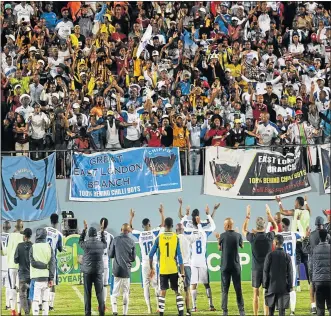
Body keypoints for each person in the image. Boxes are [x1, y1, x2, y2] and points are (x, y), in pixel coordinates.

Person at [242, 204, 278, 316]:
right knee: (266, 293)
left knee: (255, 294)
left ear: (256, 226)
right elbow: (276, 227)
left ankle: (256, 314)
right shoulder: (269, 237)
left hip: (256, 270)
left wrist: (247, 216)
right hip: (267, 270)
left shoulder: (252, 237)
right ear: (264, 225)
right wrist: (269, 214)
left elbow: (243, 229)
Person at [129, 206, 165, 313]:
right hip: (153, 262)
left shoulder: (140, 234)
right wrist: (162, 213)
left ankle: (149, 309)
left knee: (146, 286)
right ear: (149, 224)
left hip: (144, 263)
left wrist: (131, 217)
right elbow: (163, 225)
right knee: (155, 285)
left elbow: (130, 228)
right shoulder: (154, 232)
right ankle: (158, 307)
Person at [182, 205, 216, 312]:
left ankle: (194, 307)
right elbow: (213, 226)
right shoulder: (204, 232)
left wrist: (185, 214)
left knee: (193, 284)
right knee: (206, 284)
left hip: (193, 261)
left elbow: (181, 224)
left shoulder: (189, 231)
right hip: (202, 261)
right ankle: (210, 305)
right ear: (198, 218)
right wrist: (208, 214)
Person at [149, 217, 185, 316]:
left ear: (164, 225)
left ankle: (161, 314)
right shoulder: (175, 237)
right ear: (172, 226)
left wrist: (151, 268)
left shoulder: (159, 238)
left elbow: (150, 255)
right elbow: (180, 256)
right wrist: (182, 272)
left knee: (162, 292)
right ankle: (181, 313)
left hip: (163, 269)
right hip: (173, 268)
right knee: (177, 291)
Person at [275, 195, 310, 291]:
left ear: (297, 203)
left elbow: (283, 212)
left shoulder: (295, 212)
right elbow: (309, 210)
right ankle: (309, 283)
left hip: (297, 240)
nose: (294, 203)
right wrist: (306, 202)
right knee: (306, 263)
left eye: (295, 202)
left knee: (296, 263)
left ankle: (297, 284)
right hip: (306, 240)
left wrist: (279, 202)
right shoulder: (307, 212)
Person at [176, 212, 205, 316]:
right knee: (187, 289)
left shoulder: (174, 239)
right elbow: (199, 235)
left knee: (178, 291)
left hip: (176, 267)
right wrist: (198, 225)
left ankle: (180, 312)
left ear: (176, 230)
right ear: (183, 230)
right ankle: (188, 310)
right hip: (187, 266)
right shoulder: (187, 238)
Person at [216, 217, 245, 316]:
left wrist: (217, 239)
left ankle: (225, 311)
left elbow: (220, 248)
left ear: (227, 225)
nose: (223, 226)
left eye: (224, 224)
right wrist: (238, 236)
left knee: (224, 289)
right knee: (238, 289)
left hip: (225, 266)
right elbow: (242, 246)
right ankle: (241, 310)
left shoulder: (222, 236)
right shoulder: (238, 235)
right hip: (235, 266)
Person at [303, 216, 330, 315]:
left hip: (313, 264)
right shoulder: (327, 235)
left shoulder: (311, 235)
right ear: (322, 224)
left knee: (313, 285)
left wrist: (305, 237)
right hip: (325, 264)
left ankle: (313, 306)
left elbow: (305, 250)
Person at [79, 220, 107, 316]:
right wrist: (102, 231)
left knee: (88, 294)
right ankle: (102, 312)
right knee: (100, 294)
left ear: (89, 235)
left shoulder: (86, 244)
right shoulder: (100, 244)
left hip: (87, 272)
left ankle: (88, 313)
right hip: (98, 272)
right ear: (96, 235)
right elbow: (105, 243)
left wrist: (84, 230)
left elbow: (80, 241)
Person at [263, 234, 293, 316]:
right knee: (282, 311)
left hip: (271, 287)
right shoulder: (287, 256)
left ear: (275, 242)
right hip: (283, 287)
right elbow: (290, 272)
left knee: (271, 311)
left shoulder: (270, 255)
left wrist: (265, 285)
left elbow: (265, 271)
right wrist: (290, 286)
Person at [110, 223, 136, 316]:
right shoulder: (132, 242)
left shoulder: (115, 240)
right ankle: (124, 313)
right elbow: (133, 258)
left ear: (121, 229)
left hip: (117, 269)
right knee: (125, 292)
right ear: (128, 231)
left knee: (115, 291)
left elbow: (110, 255)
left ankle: (114, 311)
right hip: (126, 271)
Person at [277, 218, 302, 315]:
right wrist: (299, 222)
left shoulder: (279, 235)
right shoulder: (294, 234)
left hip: (281, 265)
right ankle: (292, 311)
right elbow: (303, 234)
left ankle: (281, 309)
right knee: (292, 288)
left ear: (283, 225)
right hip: (291, 265)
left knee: (280, 288)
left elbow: (268, 234)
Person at [29, 228, 56, 316]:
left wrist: (43, 266)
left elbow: (32, 263)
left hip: (35, 278)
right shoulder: (49, 247)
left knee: (35, 300)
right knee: (45, 300)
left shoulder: (32, 247)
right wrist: (51, 278)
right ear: (45, 236)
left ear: (36, 235)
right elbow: (52, 263)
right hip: (46, 278)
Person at [44, 214, 63, 311]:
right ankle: (50, 305)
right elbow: (60, 249)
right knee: (52, 283)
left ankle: (41, 304)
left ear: (50, 220)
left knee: (42, 282)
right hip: (52, 261)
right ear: (57, 221)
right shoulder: (58, 234)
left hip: (43, 260)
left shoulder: (44, 230)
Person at [311, 229, 331, 316]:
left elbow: (312, 266)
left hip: (318, 281)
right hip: (329, 281)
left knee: (320, 308)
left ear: (319, 237)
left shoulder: (315, 249)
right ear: (327, 237)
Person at [6, 219, 24, 316]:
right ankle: (20, 311)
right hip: (20, 266)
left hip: (11, 266)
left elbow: (6, 251)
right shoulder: (23, 237)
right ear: (22, 227)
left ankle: (13, 311)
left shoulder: (10, 236)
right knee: (20, 289)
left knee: (12, 288)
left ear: (14, 227)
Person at [14, 228, 33, 316]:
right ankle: (27, 312)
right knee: (29, 294)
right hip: (31, 274)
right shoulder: (33, 246)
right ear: (30, 236)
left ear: (24, 236)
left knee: (22, 295)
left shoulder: (19, 245)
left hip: (22, 274)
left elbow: (15, 260)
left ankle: (26, 312)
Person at [96, 218, 114, 311]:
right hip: (105, 260)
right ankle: (103, 305)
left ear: (100, 224)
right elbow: (112, 251)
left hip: (96, 260)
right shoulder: (110, 236)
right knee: (105, 284)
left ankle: (99, 304)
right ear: (107, 225)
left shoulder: (95, 235)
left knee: (98, 284)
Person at [1, 220, 11, 311]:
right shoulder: (11, 237)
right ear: (10, 228)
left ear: (2, 227)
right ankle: (8, 305)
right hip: (8, 265)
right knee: (8, 287)